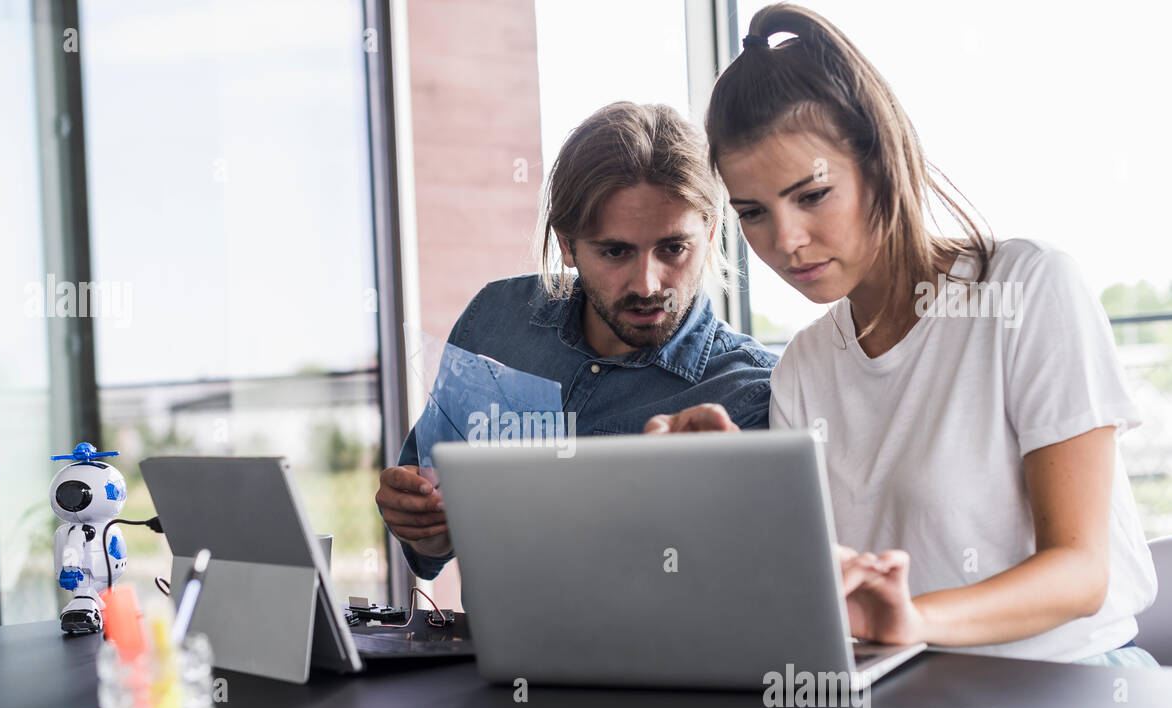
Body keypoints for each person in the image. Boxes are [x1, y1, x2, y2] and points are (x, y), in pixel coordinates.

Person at [647, 3, 1158, 666]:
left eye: (811, 195)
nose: (786, 241)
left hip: (1070, 685)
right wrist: (730, 500)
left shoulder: (1028, 289)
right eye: (753, 212)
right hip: (903, 687)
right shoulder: (804, 364)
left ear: (882, 164)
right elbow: (829, 580)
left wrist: (912, 621)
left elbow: (1081, 574)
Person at [378, 101, 778, 580]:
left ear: (710, 234)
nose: (648, 284)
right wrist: (423, 524)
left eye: (673, 248)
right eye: (615, 251)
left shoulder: (750, 393)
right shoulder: (497, 320)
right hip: (493, 653)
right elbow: (431, 537)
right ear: (566, 245)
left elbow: (743, 589)